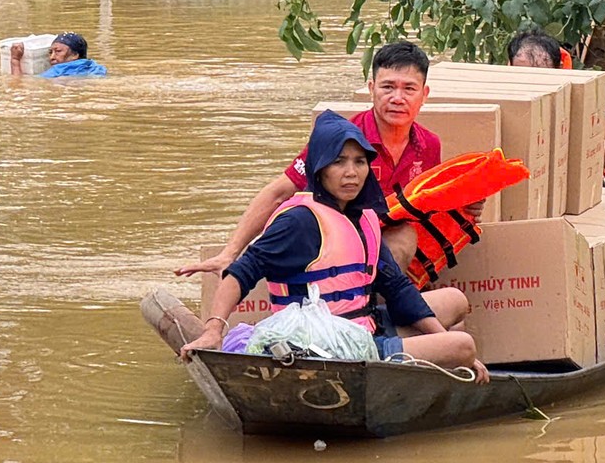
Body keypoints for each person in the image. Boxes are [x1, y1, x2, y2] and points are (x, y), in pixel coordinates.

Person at [179, 112, 485, 380]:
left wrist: (438, 337)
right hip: (323, 345)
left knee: (454, 303)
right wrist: (213, 331)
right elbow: (240, 273)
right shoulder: (300, 221)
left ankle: (418, 355)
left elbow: (396, 289)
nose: (351, 173)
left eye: (359, 162)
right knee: (462, 344)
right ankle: (401, 362)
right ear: (320, 169)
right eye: (338, 162)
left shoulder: (364, 216)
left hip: (361, 330)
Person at [178, 41, 458, 303]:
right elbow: (279, 192)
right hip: (330, 241)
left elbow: (426, 205)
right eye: (388, 87)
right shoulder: (339, 139)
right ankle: (365, 317)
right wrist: (230, 253)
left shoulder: (429, 145)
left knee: (405, 236)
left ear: (424, 94)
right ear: (371, 88)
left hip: (379, 244)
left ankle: (380, 312)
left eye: (409, 89)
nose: (397, 98)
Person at [508, 28, 605, 168]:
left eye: (539, 78)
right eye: (524, 77)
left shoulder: (575, 93)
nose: (532, 85)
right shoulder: (497, 89)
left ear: (559, 69)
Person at [43, 32, 107, 78]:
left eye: (58, 51)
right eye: (50, 52)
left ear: (75, 55)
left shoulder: (57, 71)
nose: (52, 57)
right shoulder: (97, 68)